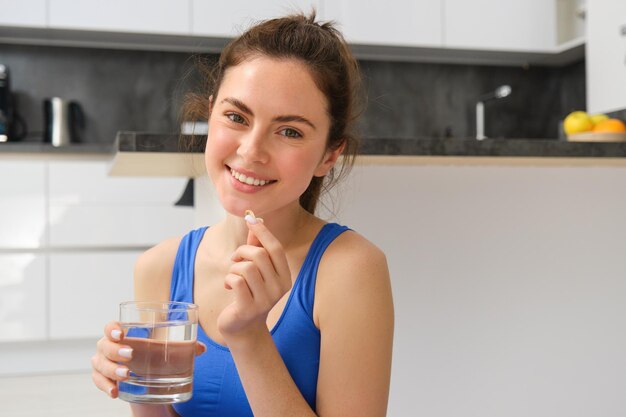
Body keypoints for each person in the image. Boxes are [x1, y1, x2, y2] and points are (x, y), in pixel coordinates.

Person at [91, 11, 394, 417]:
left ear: (329, 154)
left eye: (290, 131)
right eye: (236, 117)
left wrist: (249, 336)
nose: (251, 150)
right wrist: (135, 383)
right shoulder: (159, 267)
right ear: (211, 113)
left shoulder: (351, 270)